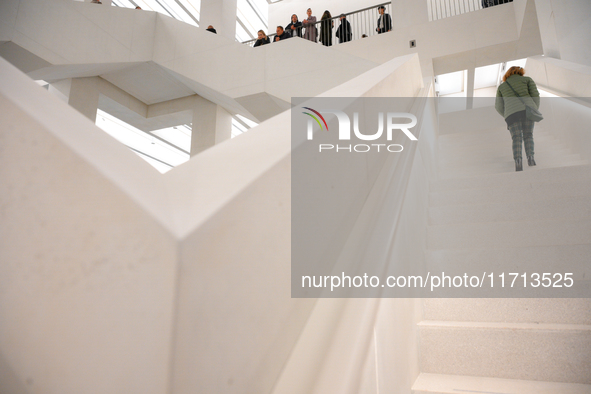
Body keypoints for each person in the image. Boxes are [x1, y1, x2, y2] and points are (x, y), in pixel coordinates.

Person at [495, 66, 541, 171]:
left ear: (507, 74)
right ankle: (530, 158)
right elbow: (536, 96)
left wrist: (507, 114)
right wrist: (534, 109)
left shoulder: (502, 87)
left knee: (516, 137)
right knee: (528, 135)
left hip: (512, 115)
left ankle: (518, 162)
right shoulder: (527, 80)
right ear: (520, 72)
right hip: (527, 111)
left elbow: (498, 106)